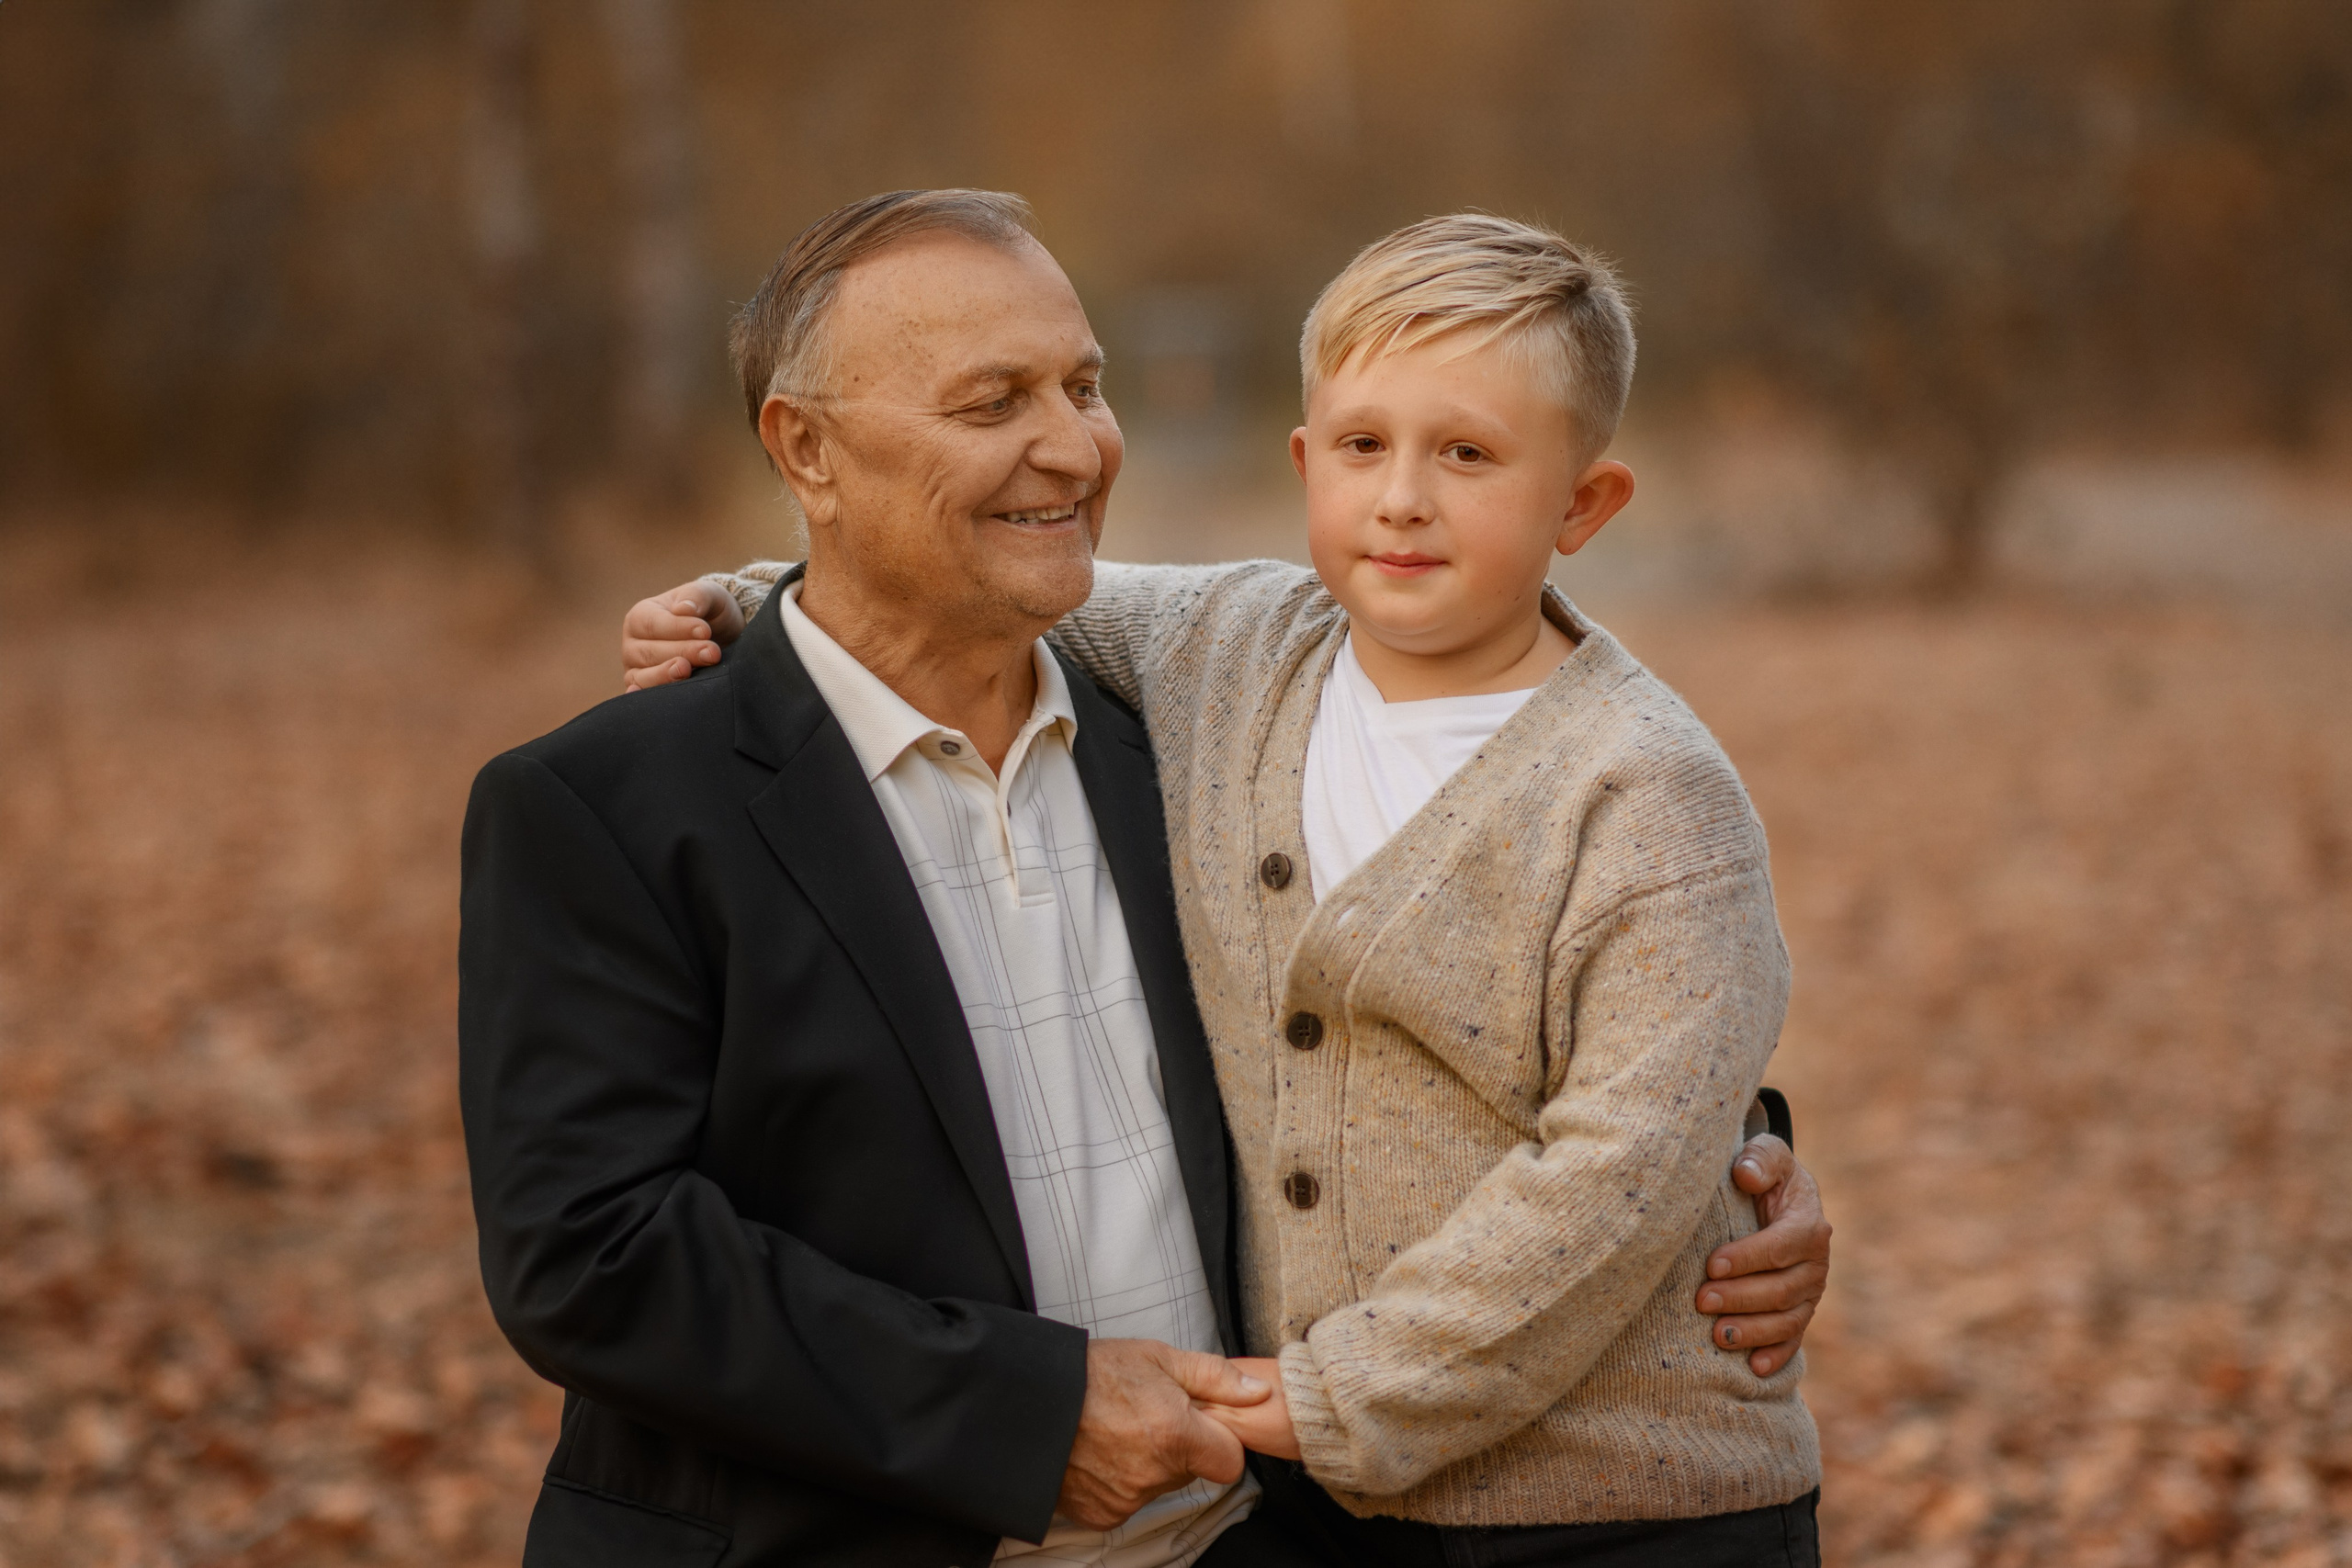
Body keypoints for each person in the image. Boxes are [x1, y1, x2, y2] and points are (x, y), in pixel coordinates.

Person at [473, 189, 1826, 1568]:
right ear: (805, 448)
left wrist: (1728, 1175)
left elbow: (1553, 1101)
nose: (1073, 447)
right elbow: (591, 1254)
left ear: (1585, 503)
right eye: (993, 400)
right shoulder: (622, 802)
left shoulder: (1182, 729)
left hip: (1348, 1526)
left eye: (1085, 385)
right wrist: (739, 595)